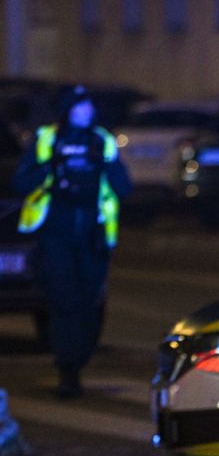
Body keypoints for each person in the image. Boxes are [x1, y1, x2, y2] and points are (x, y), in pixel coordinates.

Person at [12, 85, 131, 399]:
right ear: (65, 110)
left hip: (93, 233)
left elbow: (122, 186)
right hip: (56, 232)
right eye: (78, 107)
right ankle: (68, 370)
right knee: (63, 302)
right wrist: (52, 164)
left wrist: (103, 164)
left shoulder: (101, 140)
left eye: (88, 106)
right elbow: (21, 182)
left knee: (89, 305)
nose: (86, 112)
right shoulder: (47, 139)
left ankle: (78, 358)